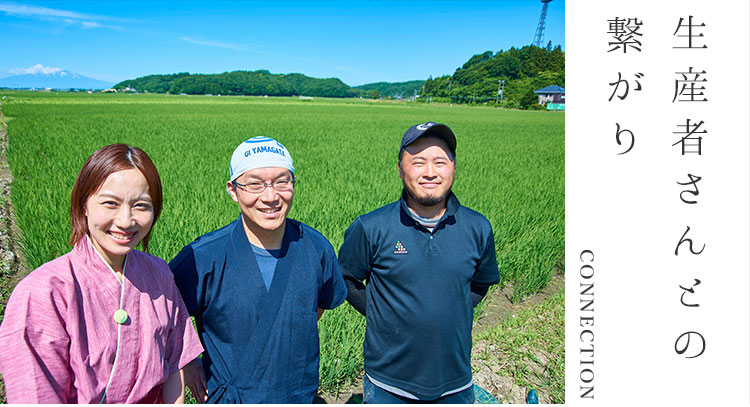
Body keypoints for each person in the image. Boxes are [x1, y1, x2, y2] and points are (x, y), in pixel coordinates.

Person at [0, 144, 203, 403]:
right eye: (110, 203)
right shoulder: (43, 292)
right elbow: (35, 393)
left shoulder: (159, 274)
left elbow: (174, 364)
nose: (126, 220)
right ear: (83, 205)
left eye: (141, 206)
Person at [169, 136, 348, 403]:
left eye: (282, 181)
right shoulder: (203, 256)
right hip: (231, 398)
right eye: (254, 184)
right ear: (233, 190)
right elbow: (163, 318)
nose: (270, 197)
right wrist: (187, 361)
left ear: (293, 184)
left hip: (298, 395)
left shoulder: (315, 247)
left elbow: (317, 307)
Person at [338, 121, 500, 404]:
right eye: (418, 162)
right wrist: (382, 313)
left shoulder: (477, 227)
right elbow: (346, 279)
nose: (429, 172)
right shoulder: (371, 227)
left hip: (455, 380)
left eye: (440, 161)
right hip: (388, 383)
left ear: (453, 167)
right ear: (400, 170)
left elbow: (481, 283)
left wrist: (451, 306)